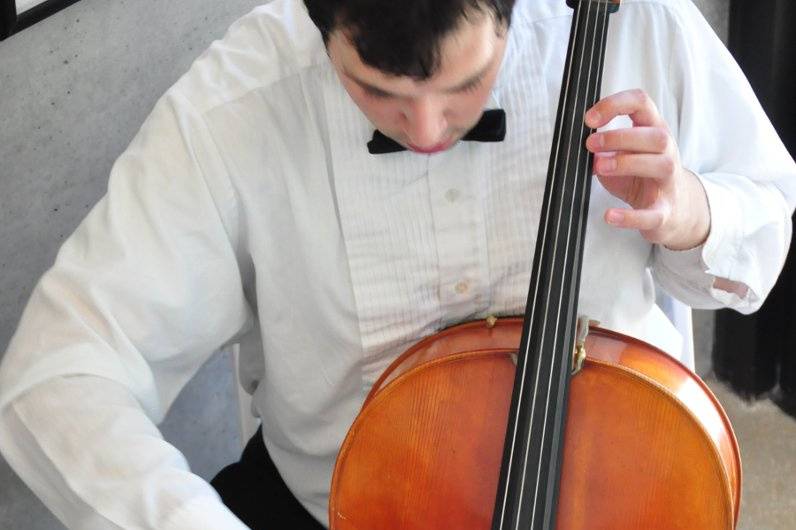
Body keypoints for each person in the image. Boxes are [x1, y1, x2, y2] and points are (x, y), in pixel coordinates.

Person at [1, 0, 794, 528]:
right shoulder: (236, 105)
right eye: (375, 92)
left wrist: (691, 212)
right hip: (336, 506)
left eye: (465, 86)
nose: (424, 130)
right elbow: (56, 378)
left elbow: (764, 216)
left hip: (614, 495)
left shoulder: (633, 21)